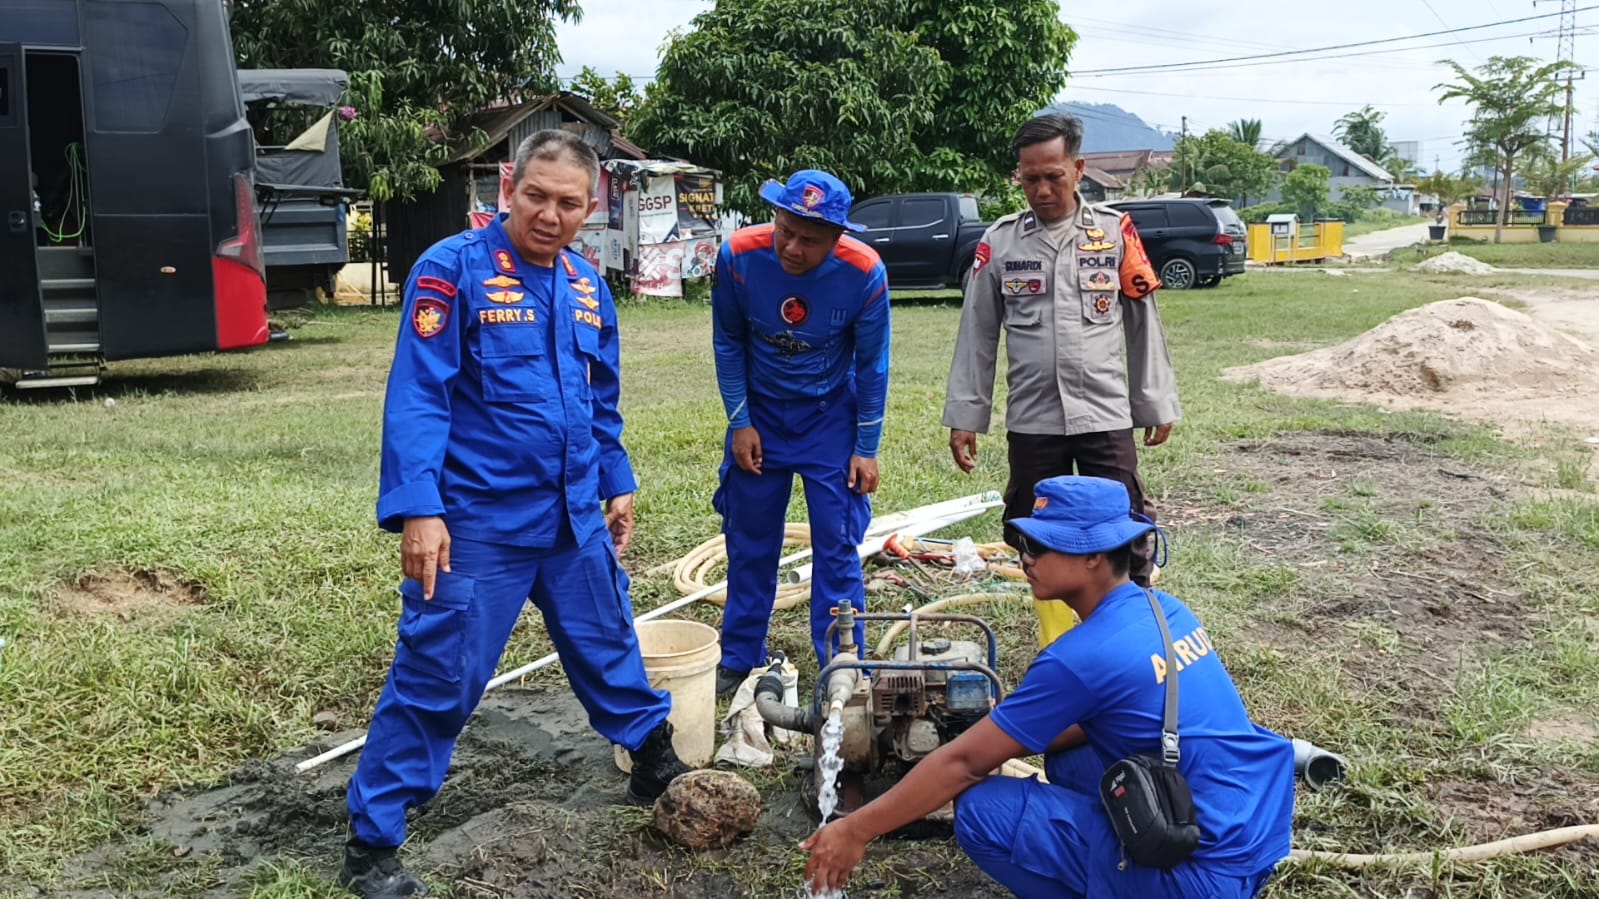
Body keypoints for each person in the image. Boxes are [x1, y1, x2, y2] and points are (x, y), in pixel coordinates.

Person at [341, 131, 689, 899]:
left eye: (568, 202)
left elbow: (600, 400)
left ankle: (652, 759)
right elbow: (419, 396)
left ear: (590, 208)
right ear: (508, 187)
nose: (549, 215)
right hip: (476, 525)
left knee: (608, 639)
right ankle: (372, 843)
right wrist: (420, 509)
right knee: (437, 675)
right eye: (536, 195)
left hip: (571, 518)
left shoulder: (588, 285)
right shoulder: (452, 270)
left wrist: (616, 479)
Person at [802, 475, 1295, 898]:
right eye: (1023, 543)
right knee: (1068, 757)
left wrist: (856, 829)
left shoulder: (1079, 657)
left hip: (1197, 874)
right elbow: (1106, 716)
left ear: (1094, 556)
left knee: (980, 811)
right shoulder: (1164, 609)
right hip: (1250, 832)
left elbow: (963, 765)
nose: (1025, 558)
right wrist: (1006, 730)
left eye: (1040, 545)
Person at [944, 114, 1180, 587]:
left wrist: (1154, 402)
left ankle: (1129, 620)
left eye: (1054, 176)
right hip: (1035, 419)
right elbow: (977, 333)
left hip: (1104, 414)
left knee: (1124, 528)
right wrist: (966, 416)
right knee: (1035, 533)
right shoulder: (1001, 241)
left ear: (1078, 169)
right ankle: (1057, 625)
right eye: (1030, 178)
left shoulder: (1114, 233)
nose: (1042, 190)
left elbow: (1143, 324)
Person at [710, 169, 892, 697]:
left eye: (810, 240)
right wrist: (741, 423)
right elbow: (727, 341)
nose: (792, 248)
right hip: (761, 415)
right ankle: (739, 655)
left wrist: (865, 447)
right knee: (749, 539)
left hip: (829, 417)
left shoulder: (864, 271)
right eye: (785, 231)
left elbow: (873, 364)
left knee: (837, 544)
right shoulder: (738, 255)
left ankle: (842, 663)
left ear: (837, 237)